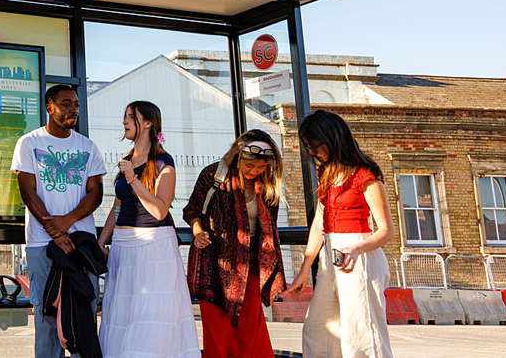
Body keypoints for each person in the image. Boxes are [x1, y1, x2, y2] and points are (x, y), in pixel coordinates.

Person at [287, 110, 396, 358]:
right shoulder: (326, 172)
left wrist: (356, 249)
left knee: (361, 336)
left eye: (315, 144)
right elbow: (319, 221)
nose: (313, 152)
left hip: (360, 253)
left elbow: (387, 230)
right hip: (330, 255)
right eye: (308, 146)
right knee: (319, 333)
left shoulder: (365, 175)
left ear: (333, 137)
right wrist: (306, 267)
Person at [94, 101, 197, 358]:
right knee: (123, 314)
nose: (124, 122)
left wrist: (133, 180)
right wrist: (101, 243)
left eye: (131, 117)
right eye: (125, 116)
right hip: (122, 246)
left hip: (154, 246)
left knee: (150, 315)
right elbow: (117, 208)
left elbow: (161, 210)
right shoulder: (127, 160)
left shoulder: (163, 161)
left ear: (149, 123)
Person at [12, 84, 105, 358]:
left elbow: (95, 193)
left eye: (75, 104)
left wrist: (67, 222)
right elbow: (27, 190)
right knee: (47, 319)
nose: (73, 109)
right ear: (49, 107)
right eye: (66, 104)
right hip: (42, 245)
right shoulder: (29, 143)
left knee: (84, 318)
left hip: (81, 246)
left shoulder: (87, 146)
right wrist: (54, 231)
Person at [184, 130, 289, 358]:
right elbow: (192, 208)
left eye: (261, 167)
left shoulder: (268, 183)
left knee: (248, 333)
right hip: (213, 267)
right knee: (218, 334)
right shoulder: (214, 173)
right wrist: (198, 230)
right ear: (237, 155)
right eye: (249, 166)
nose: (254, 172)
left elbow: (270, 225)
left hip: (250, 269)